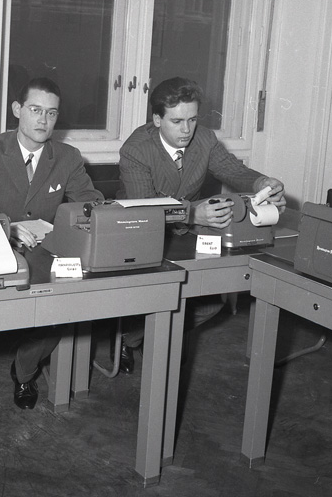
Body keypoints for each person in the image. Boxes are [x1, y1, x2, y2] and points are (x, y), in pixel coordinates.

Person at [0, 76, 102, 421]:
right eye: (35, 110)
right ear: (17, 110)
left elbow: (90, 204)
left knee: (65, 301)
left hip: (43, 253)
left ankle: (25, 371)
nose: (43, 120)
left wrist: (75, 220)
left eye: (51, 113)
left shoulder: (67, 157)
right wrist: (7, 229)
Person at [116, 76, 285, 373]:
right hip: (139, 232)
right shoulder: (136, 149)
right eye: (177, 121)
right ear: (157, 119)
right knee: (161, 295)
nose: (187, 130)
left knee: (210, 303)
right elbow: (145, 207)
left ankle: (135, 336)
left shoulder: (204, 139)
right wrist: (193, 214)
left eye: (192, 119)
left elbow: (232, 170)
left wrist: (262, 182)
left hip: (185, 233)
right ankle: (143, 340)